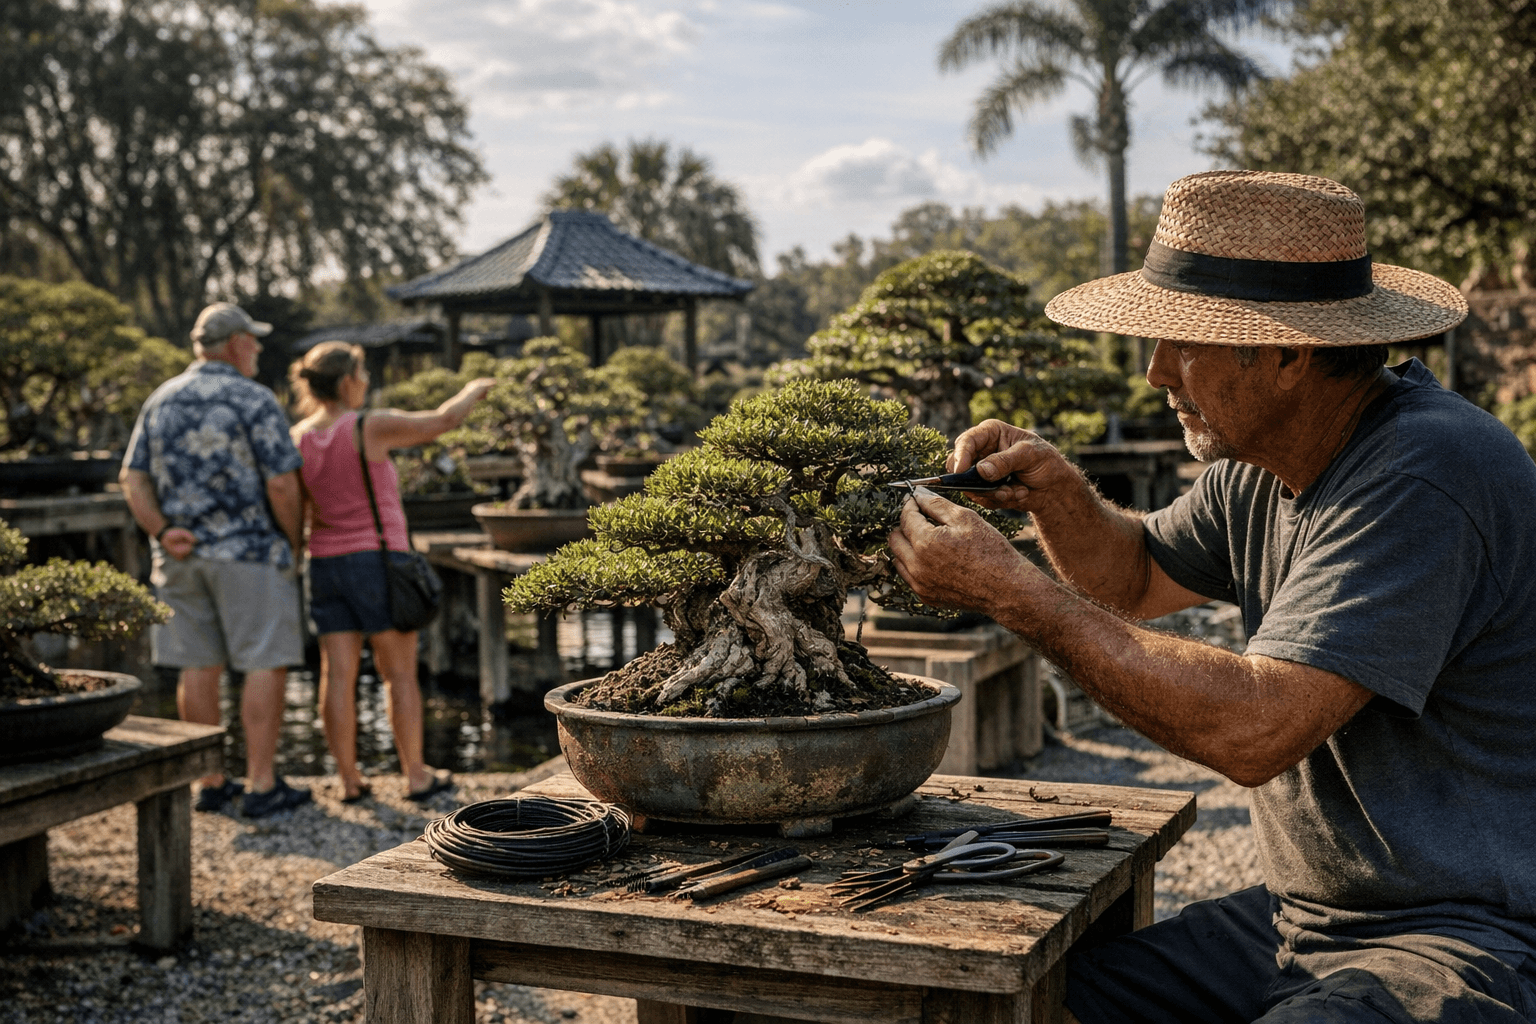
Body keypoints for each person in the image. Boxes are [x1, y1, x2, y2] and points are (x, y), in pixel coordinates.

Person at [889, 171, 1536, 1023]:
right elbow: (1138, 576)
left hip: (1462, 935)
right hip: (1300, 919)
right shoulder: (1260, 464)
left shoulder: (1426, 474)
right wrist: (1056, 494)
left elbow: (1254, 728)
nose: (1155, 371)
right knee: (1013, 1005)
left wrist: (1018, 595)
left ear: (1288, 354)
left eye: (1181, 342)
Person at [121, 302, 313, 818]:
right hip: (249, 552)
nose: (258, 348)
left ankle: (210, 782)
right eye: (253, 340)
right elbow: (281, 482)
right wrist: (292, 543)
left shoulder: (160, 399)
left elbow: (133, 477)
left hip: (181, 555)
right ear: (235, 344)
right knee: (264, 663)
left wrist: (161, 530)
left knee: (196, 665)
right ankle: (262, 784)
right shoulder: (253, 399)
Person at [288, 342, 495, 803]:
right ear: (346, 382)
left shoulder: (298, 436)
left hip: (322, 564)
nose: (367, 382)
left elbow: (297, 508)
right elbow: (442, 421)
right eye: (362, 374)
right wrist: (474, 388)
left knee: (335, 674)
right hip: (376, 563)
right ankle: (416, 776)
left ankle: (349, 780)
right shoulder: (367, 427)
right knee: (398, 674)